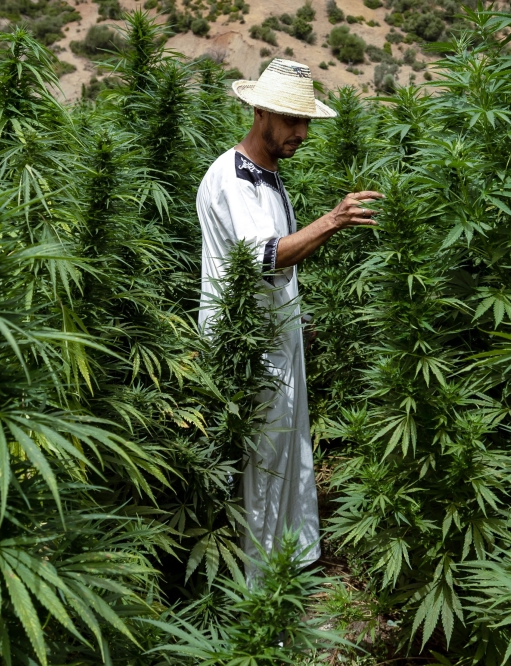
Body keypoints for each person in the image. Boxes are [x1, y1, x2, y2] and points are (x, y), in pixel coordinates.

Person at [196, 59, 383, 570]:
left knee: (281, 454)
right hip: (245, 342)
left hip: (276, 335)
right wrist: (335, 219)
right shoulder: (233, 178)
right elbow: (265, 255)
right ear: (259, 112)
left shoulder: (268, 177)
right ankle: (255, 589)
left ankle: (286, 568)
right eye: (291, 120)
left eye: (306, 122)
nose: (302, 132)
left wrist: (295, 314)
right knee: (261, 462)